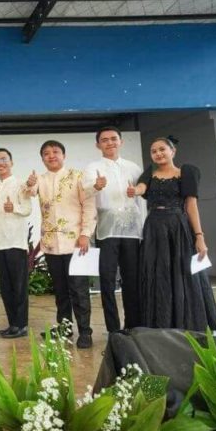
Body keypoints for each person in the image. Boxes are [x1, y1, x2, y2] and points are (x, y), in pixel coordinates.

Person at [128, 136, 216, 331]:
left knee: (182, 273)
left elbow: (191, 205)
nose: (158, 154)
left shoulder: (186, 172)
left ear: (173, 151)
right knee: (156, 273)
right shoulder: (149, 173)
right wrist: (134, 191)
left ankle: (185, 323)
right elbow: (141, 188)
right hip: (153, 227)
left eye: (162, 149)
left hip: (178, 226)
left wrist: (199, 236)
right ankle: (159, 324)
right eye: (154, 151)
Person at [27, 140, 97, 349]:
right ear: (42, 159)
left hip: (76, 243)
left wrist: (85, 234)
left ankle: (85, 332)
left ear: (63, 155)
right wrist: (30, 183)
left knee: (79, 290)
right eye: (46, 153)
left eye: (55, 152)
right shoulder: (39, 179)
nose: (51, 156)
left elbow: (89, 205)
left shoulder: (77, 176)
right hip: (51, 244)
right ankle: (65, 329)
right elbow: (28, 193)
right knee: (60, 291)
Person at [83, 127, 145, 331]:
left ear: (121, 142)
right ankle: (113, 330)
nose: (109, 143)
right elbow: (85, 191)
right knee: (107, 282)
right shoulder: (93, 167)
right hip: (106, 231)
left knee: (132, 281)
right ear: (97, 145)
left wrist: (135, 191)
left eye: (113, 139)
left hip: (132, 232)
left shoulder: (134, 168)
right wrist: (97, 186)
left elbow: (144, 194)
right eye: (104, 140)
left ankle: (133, 326)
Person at [0, 148, 32, 338]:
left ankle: (21, 325)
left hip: (16, 242)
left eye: (4, 159)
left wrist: (15, 208)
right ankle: (12, 323)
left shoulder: (21, 185)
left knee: (19, 286)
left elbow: (28, 208)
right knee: (5, 286)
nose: (0, 163)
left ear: (11, 163)